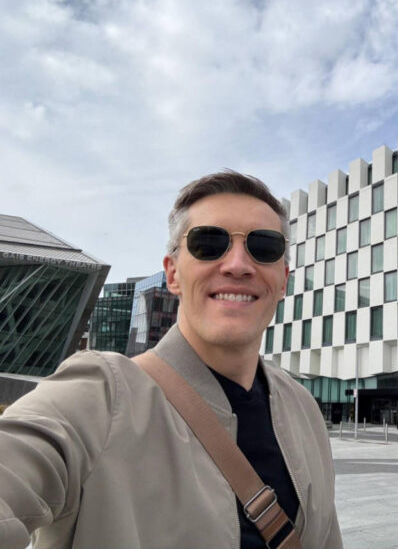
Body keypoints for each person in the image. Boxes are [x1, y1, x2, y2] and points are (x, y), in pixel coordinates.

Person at [0, 171, 343, 549]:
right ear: (173, 274)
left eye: (263, 247)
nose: (238, 264)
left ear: (283, 280)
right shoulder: (101, 394)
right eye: (209, 243)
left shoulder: (305, 409)